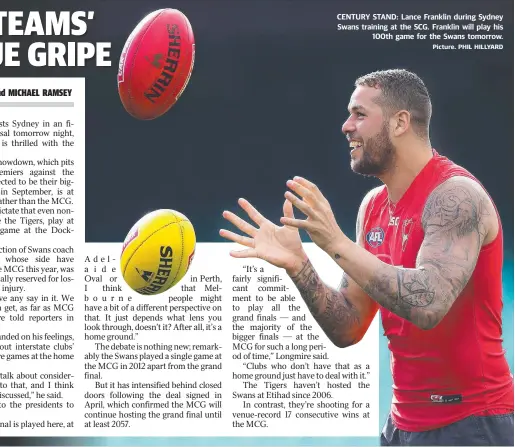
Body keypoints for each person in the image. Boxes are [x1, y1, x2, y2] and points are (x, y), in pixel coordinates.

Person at [219, 69, 514, 446]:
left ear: (400, 122)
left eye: (359, 114)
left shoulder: (455, 197)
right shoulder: (372, 207)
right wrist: (300, 266)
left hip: (472, 423)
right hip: (402, 426)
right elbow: (349, 326)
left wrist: (336, 244)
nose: (346, 126)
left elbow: (429, 303)